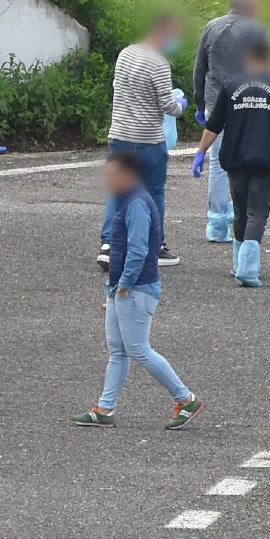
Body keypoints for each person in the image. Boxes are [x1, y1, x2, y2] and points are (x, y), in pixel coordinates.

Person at [73, 151, 203, 430]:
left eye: (112, 175)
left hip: (134, 289)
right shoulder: (128, 200)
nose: (107, 181)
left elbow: (138, 249)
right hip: (121, 287)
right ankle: (104, 409)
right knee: (118, 350)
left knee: (138, 349)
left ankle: (185, 399)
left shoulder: (137, 204)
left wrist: (124, 284)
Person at [191, 39, 270, 287]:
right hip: (267, 159)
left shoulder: (231, 85)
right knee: (257, 212)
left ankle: (238, 263)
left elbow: (214, 123)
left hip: (236, 158)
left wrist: (201, 152)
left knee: (240, 211)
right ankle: (248, 268)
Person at [97, 14, 190, 270]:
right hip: (147, 138)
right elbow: (168, 106)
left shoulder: (125, 54)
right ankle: (154, 246)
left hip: (119, 134)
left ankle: (109, 245)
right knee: (154, 192)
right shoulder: (159, 63)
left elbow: (117, 87)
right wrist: (182, 104)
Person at [192, 0, 270, 243]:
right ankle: (243, 217)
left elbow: (200, 68)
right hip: (247, 103)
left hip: (215, 101)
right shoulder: (256, 30)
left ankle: (216, 222)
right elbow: (264, 70)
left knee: (217, 161)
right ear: (249, 4)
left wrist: (200, 104)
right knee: (246, 161)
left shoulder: (212, 27)